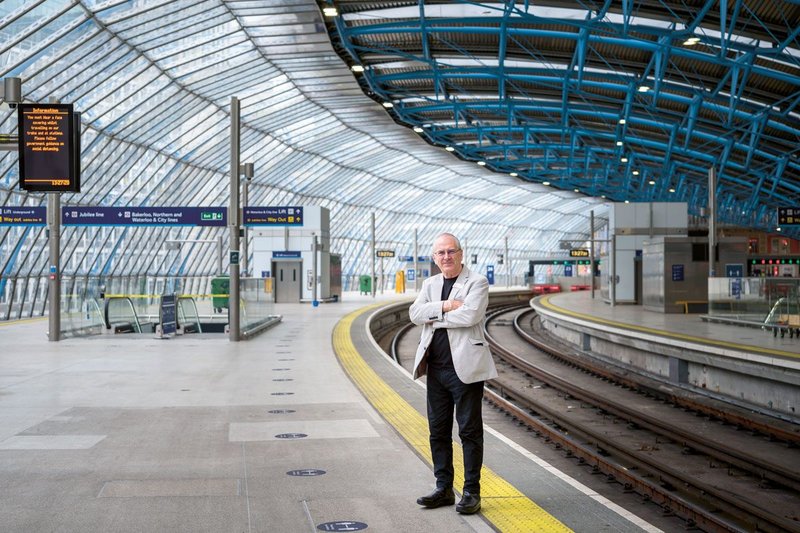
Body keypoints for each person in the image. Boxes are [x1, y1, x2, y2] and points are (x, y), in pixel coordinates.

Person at [408, 233, 498, 515]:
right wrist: (446, 306)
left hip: (466, 370)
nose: (446, 257)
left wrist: (432, 316)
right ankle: (443, 488)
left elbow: (470, 317)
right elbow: (414, 313)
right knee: (438, 431)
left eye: (451, 251)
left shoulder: (478, 282)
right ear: (434, 258)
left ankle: (471, 492)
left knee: (469, 431)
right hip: (435, 369)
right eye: (440, 253)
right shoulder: (430, 283)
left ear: (461, 253)